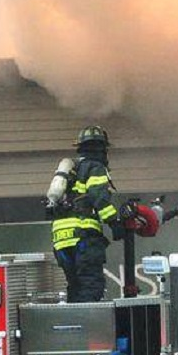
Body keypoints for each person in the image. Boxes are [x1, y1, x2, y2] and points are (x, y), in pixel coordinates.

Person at [51, 125, 123, 302]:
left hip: (61, 240)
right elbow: (98, 196)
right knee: (91, 287)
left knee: (75, 287)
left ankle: (74, 324)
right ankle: (87, 328)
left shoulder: (72, 171)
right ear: (102, 148)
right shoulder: (95, 167)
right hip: (83, 236)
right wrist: (114, 222)